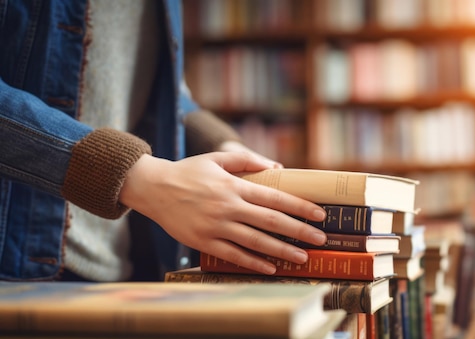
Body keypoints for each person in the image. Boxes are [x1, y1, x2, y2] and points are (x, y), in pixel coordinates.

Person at [0, 0, 327, 282]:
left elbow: (161, 92)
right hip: (13, 268)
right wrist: (135, 176)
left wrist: (225, 148)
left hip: (112, 267)